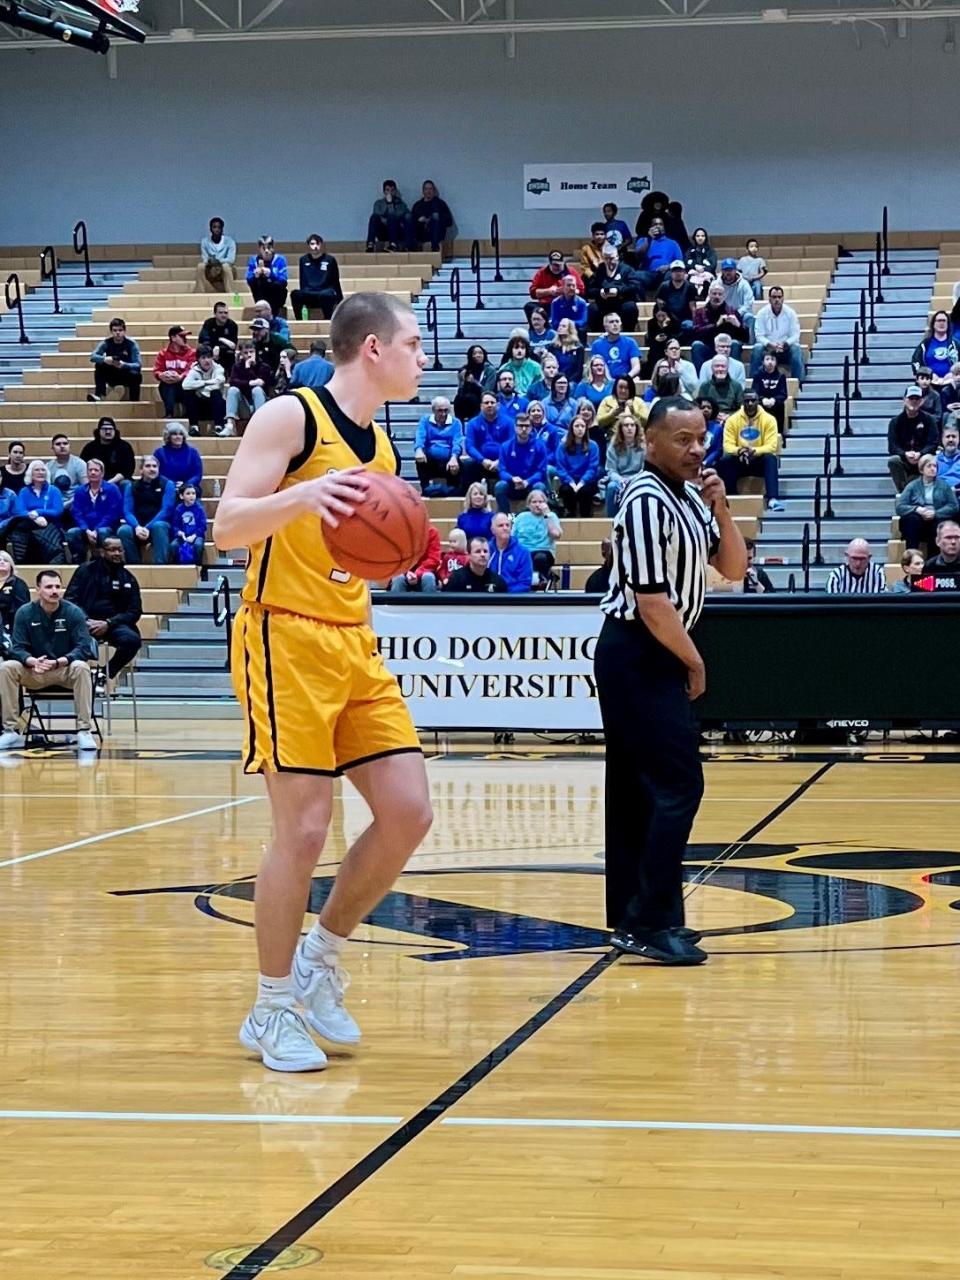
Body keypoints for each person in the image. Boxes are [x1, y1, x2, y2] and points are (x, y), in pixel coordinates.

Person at [210, 291, 434, 1072]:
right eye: (413, 342)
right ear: (372, 347)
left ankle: (320, 955)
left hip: (354, 640)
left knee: (408, 813)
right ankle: (271, 1009)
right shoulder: (290, 417)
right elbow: (225, 526)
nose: (423, 355)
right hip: (283, 634)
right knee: (303, 831)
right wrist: (301, 494)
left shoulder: (384, 448)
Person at [595, 395, 747, 964]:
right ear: (650, 442)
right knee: (680, 787)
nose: (696, 449)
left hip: (660, 649)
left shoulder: (688, 496)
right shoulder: (642, 499)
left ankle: (645, 916)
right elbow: (653, 602)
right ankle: (646, 918)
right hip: (637, 651)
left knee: (642, 792)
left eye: (701, 437)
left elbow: (732, 570)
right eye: (682, 439)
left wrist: (723, 511)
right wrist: (695, 661)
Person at [0, 569, 97, 753]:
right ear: (38, 589)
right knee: (7, 667)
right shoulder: (25, 612)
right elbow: (16, 647)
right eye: (49, 587)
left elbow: (83, 647)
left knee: (82, 667)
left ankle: (84, 730)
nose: (54, 591)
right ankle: (10, 730)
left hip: (63, 670)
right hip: (35, 671)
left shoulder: (73, 612)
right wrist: (31, 661)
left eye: (58, 587)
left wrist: (61, 661)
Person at [65, 536, 142, 681]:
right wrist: (85, 620)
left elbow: (135, 611)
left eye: (120, 550)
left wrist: (109, 623)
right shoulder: (85, 570)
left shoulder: (128, 578)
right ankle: (69, 679)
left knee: (132, 641)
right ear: (102, 552)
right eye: (112, 550)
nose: (117, 553)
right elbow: (70, 599)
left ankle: (103, 675)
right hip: (84, 623)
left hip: (113, 625)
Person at [719, 390, 782, 511]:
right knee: (725, 461)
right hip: (741, 459)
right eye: (747, 401)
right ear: (742, 402)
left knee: (770, 458)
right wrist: (740, 451)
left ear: (758, 401)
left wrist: (754, 451)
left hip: (758, 460)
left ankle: (773, 499)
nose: (750, 403)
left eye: (753, 400)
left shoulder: (769, 419)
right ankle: (731, 498)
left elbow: (771, 446)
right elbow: (727, 445)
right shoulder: (732, 420)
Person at [896, 453, 959, 552]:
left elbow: (954, 506)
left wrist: (936, 513)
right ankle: (912, 555)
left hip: (936, 519)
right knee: (912, 519)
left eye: (935, 466)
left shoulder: (944, 485)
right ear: (921, 469)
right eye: (929, 466)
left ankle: (933, 559)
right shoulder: (912, 486)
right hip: (918, 522)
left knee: (938, 524)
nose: (933, 468)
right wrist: (917, 509)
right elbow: (900, 507)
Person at [119, 456, 174, 565]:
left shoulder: (168, 485)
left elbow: (166, 510)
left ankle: (161, 566)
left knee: (159, 526)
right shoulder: (131, 487)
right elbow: (127, 512)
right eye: (148, 466)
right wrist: (137, 527)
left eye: (155, 466)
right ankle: (134, 566)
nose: (152, 469)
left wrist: (147, 527)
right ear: (141, 470)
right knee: (123, 530)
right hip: (138, 527)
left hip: (159, 527)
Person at [67, 459, 124, 563]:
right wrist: (86, 530)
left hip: (107, 529)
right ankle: (80, 563)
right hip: (87, 530)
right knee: (72, 533)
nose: (93, 472)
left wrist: (96, 530)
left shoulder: (112, 489)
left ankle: (101, 561)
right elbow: (77, 513)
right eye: (90, 470)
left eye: (96, 470)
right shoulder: (80, 491)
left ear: (102, 473)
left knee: (103, 532)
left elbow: (112, 514)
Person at [11, 460, 66, 563]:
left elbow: (58, 511)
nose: (41, 472)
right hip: (29, 527)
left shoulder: (54, 490)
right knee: (20, 531)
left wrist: (38, 512)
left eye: (43, 470)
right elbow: (19, 511)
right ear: (30, 473)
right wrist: (35, 518)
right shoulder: (24, 491)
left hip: (50, 527)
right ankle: (21, 563)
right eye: (37, 470)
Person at [887, 387, 939, 492]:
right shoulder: (895, 421)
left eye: (917, 398)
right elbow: (892, 446)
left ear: (921, 401)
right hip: (904, 459)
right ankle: (904, 493)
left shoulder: (929, 420)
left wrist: (921, 453)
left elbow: (933, 443)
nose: (914, 401)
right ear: (904, 400)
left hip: (923, 458)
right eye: (911, 398)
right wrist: (905, 454)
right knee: (893, 460)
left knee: (931, 460)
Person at [495, 414, 548, 514]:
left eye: (527, 426)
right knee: (500, 486)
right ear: (515, 427)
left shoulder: (539, 446)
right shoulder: (505, 446)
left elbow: (541, 471)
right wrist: (512, 478)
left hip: (530, 485)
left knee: (540, 487)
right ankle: (506, 516)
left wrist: (527, 481)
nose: (524, 429)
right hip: (512, 485)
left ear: (531, 428)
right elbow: (502, 470)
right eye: (520, 425)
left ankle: (531, 516)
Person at [691, 282, 748, 372]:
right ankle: (700, 379)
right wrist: (716, 325)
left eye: (720, 294)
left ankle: (733, 377)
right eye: (714, 294)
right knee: (696, 345)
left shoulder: (732, 312)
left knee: (735, 344)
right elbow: (695, 333)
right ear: (709, 295)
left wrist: (738, 325)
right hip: (708, 347)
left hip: (727, 349)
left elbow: (746, 338)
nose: (717, 297)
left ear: (724, 296)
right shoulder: (700, 312)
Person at [414, 396, 466, 493]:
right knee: (420, 459)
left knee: (458, 465)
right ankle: (425, 489)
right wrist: (418, 449)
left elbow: (457, 442)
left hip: (449, 459)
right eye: (440, 411)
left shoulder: (456, 423)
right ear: (433, 410)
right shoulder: (425, 420)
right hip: (430, 460)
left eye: (446, 410)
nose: (443, 414)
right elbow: (420, 436)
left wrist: (454, 457)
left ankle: (453, 492)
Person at [752, 286, 805, 378]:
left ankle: (799, 382)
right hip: (768, 349)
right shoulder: (762, 313)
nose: (777, 300)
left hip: (785, 349)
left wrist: (786, 343)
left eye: (779, 297)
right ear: (769, 299)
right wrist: (769, 344)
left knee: (796, 348)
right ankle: (753, 383)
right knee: (757, 348)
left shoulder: (790, 313)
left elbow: (795, 335)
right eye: (774, 297)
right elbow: (759, 335)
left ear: (783, 299)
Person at [585, 245, 640, 333]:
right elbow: (590, 290)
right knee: (592, 308)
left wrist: (619, 291)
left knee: (630, 307)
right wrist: (600, 292)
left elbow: (635, 286)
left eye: (611, 258)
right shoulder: (600, 270)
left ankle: (628, 332)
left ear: (617, 257)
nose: (609, 261)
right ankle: (597, 333)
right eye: (606, 258)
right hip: (604, 303)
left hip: (622, 302)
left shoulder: (627, 269)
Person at [513, 488, 562, 587]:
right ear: (528, 504)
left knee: (539, 558)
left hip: (544, 551)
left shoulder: (551, 516)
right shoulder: (521, 517)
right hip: (524, 551)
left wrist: (547, 515)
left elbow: (556, 535)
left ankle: (540, 580)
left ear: (546, 503)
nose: (537, 504)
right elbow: (512, 537)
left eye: (540, 502)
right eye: (534, 502)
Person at [88, 317, 142, 404]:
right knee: (99, 366)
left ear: (124, 331)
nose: (118, 333)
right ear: (111, 332)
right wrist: (105, 359)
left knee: (136, 375)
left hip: (126, 373)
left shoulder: (131, 344)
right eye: (115, 330)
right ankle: (100, 395)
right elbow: (93, 357)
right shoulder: (106, 342)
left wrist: (124, 365)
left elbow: (138, 364)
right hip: (112, 373)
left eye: (120, 330)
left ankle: (134, 401)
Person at [554, 415, 601, 516]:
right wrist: (571, 482)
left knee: (585, 491)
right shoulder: (562, 446)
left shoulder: (593, 446)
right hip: (568, 481)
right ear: (571, 428)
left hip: (587, 481)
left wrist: (581, 482)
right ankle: (570, 516)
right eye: (577, 426)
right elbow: (560, 468)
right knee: (566, 490)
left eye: (583, 426)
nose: (580, 429)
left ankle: (586, 519)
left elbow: (592, 468)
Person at [224, 339, 273, 435]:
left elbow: (262, 383)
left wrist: (249, 370)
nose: (249, 355)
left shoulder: (264, 367)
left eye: (251, 352)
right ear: (241, 354)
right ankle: (229, 424)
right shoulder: (237, 367)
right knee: (233, 390)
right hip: (244, 405)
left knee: (257, 390)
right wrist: (250, 382)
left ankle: (260, 424)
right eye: (246, 353)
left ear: (256, 352)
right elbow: (233, 382)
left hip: (261, 404)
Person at [291, 235, 343, 321]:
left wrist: (340, 300)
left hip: (323, 293)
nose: (315, 247)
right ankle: (299, 321)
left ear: (322, 245)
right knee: (295, 294)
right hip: (309, 293)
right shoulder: (303, 260)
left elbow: (335, 281)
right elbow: (302, 280)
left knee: (329, 295)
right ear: (308, 246)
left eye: (318, 244)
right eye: (312, 244)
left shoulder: (330, 260)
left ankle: (328, 320)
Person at [464, 392, 511, 488]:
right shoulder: (473, 423)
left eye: (492, 402)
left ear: (498, 405)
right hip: (481, 462)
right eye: (486, 403)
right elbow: (469, 446)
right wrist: (482, 460)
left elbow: (512, 445)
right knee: (468, 464)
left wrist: (499, 461)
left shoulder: (509, 422)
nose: (489, 405)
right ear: (481, 406)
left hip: (502, 462)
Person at [604, 412, 645, 517]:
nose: (630, 428)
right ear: (621, 429)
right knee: (611, 487)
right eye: (626, 425)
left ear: (637, 428)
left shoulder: (643, 446)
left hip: (638, 479)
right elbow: (610, 470)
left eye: (632, 425)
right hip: (619, 480)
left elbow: (645, 470)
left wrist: (631, 480)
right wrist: (621, 480)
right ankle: (611, 521)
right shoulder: (613, 446)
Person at [633, 217, 684, 299]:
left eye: (660, 224)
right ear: (650, 227)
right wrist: (649, 239)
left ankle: (662, 302)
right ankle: (642, 304)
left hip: (665, 274)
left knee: (672, 275)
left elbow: (679, 262)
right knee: (635, 276)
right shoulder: (643, 240)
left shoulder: (672, 243)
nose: (658, 226)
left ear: (664, 227)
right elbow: (639, 254)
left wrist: (668, 267)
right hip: (648, 274)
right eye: (655, 224)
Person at [181, 345, 227, 434]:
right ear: (198, 359)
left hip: (216, 405)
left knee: (215, 393)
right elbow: (185, 385)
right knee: (188, 393)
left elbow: (219, 382)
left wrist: (200, 388)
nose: (207, 360)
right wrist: (205, 383)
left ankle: (219, 427)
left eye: (209, 357)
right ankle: (194, 427)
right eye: (203, 358)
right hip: (200, 407)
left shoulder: (218, 368)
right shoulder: (194, 370)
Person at [153, 326, 196, 419]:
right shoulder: (163, 354)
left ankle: (188, 412)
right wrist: (161, 375)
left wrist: (181, 377)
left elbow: (192, 370)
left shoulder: (192, 353)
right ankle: (169, 413)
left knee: (189, 384)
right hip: (170, 385)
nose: (185, 339)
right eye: (182, 336)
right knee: (165, 385)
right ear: (173, 338)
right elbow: (157, 370)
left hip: (184, 385)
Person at [80, 417, 135, 488]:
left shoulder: (124, 446)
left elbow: (127, 470)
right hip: (95, 480)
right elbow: (83, 466)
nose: (108, 432)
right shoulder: (90, 447)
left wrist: (108, 484)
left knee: (127, 484)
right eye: (105, 429)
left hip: (118, 481)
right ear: (98, 431)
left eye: (111, 429)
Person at [528, 251, 583, 320]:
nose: (556, 267)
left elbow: (581, 290)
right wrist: (549, 291)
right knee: (529, 306)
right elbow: (533, 293)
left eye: (558, 265)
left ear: (563, 263)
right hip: (547, 304)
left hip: (566, 303)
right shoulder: (542, 272)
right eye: (554, 265)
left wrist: (567, 291)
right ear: (550, 264)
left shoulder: (571, 272)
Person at [487, 512, 534, 593]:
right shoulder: (485, 550)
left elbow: (525, 583)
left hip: (512, 599)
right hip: (487, 596)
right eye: (500, 525)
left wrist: (504, 593)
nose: (505, 528)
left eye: (507, 525)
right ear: (492, 530)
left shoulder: (523, 552)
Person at [389, 524, 442, 593]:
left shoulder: (432, 531)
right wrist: (406, 572)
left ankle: (430, 603)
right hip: (403, 571)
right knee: (398, 579)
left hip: (426, 570)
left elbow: (434, 558)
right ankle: (395, 603)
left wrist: (418, 573)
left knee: (428, 578)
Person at [154, 423, 204, 496]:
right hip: (166, 488)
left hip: (189, 488)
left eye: (180, 434)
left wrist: (186, 485)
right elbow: (156, 473)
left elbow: (197, 474)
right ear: (168, 437)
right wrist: (171, 484)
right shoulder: (159, 453)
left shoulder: (193, 452)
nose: (178, 437)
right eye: (174, 434)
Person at [590, 312, 641, 381]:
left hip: (626, 380)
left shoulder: (630, 342)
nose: (615, 324)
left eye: (617, 321)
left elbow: (636, 366)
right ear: (605, 326)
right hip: (605, 382)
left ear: (621, 324)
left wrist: (626, 378)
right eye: (611, 322)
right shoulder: (597, 345)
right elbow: (594, 368)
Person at [246, 234, 289, 316]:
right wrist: (255, 276)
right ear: (259, 249)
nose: (266, 251)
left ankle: (273, 314)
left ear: (272, 248)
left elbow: (284, 281)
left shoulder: (280, 259)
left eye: (269, 248)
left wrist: (271, 274)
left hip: (276, 294)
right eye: (263, 248)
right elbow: (249, 279)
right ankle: (261, 310)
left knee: (278, 285)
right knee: (257, 283)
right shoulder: (253, 260)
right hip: (261, 293)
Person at [46, 434, 87, 516]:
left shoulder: (79, 464)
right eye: (58, 444)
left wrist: (69, 503)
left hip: (76, 503)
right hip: (56, 504)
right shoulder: (48, 466)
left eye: (65, 443)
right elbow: (47, 491)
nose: (62, 446)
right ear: (52, 448)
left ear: (69, 446)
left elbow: (85, 488)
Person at [716, 259, 757, 342]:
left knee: (749, 317)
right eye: (726, 270)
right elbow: (710, 301)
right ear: (722, 271)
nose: (728, 272)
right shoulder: (716, 284)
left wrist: (737, 313)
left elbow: (749, 303)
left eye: (730, 270)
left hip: (740, 314)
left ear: (735, 270)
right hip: (722, 315)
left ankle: (750, 344)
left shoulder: (744, 284)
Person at [912, 311, 958, 383]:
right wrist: (927, 374)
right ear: (933, 324)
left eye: (944, 321)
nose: (941, 323)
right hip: (930, 383)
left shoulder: (956, 344)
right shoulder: (925, 344)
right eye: (939, 320)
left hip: (952, 383)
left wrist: (954, 374)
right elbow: (915, 362)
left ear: (948, 324)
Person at [407, 180, 453, 252]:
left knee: (435, 216)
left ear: (434, 191)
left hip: (436, 234)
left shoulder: (440, 204)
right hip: (421, 234)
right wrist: (419, 221)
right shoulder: (417, 205)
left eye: (430, 189)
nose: (428, 191)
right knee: (408, 217)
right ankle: (409, 247)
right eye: (426, 189)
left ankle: (435, 248)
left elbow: (449, 222)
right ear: (423, 191)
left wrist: (431, 220)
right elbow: (412, 222)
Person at [196, 217, 237, 294]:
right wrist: (210, 262)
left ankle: (231, 293)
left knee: (226, 266)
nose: (217, 229)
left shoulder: (230, 241)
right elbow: (205, 258)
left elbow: (231, 259)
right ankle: (200, 292)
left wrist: (218, 261)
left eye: (219, 227)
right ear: (210, 229)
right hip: (211, 270)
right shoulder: (204, 242)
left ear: (222, 229)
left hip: (226, 269)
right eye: (214, 227)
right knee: (200, 266)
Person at [655, 261, 697, 335]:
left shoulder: (690, 287)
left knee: (689, 326)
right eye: (675, 271)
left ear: (684, 272)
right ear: (671, 273)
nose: (678, 273)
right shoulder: (664, 286)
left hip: (685, 320)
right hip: (668, 319)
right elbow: (659, 306)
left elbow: (693, 307)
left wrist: (696, 323)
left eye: (680, 271)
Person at [366, 180, 409, 252]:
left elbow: (395, 216)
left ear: (395, 191)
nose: (390, 192)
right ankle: (370, 244)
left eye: (392, 190)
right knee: (374, 217)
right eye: (387, 190)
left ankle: (393, 245)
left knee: (392, 217)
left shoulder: (401, 204)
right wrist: (386, 220)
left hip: (395, 231)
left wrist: (390, 203)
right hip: (382, 230)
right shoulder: (378, 203)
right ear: (384, 192)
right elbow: (377, 214)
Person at [0, 551, 29, 655]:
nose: (2, 562)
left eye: (5, 560)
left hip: (10, 624)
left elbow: (22, 609)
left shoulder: (18, 584)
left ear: (11, 565)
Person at [698, 355, 744, 422]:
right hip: (711, 419)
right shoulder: (705, 386)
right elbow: (700, 407)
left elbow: (742, 407)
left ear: (728, 368)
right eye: (717, 366)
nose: (720, 369)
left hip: (733, 420)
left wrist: (729, 416)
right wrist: (714, 415)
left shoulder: (736, 386)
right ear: (712, 368)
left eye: (723, 366)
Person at [752, 349, 788, 433]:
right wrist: (762, 399)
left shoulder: (781, 376)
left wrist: (774, 400)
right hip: (762, 404)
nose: (770, 362)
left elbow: (783, 394)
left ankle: (779, 434)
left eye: (772, 359)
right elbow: (755, 392)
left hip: (775, 404)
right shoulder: (757, 375)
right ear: (763, 361)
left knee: (780, 406)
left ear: (776, 362)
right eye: (767, 359)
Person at [198, 301, 239, 375]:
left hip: (225, 351)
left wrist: (219, 345)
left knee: (230, 354)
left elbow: (233, 345)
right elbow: (202, 339)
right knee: (203, 351)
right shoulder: (208, 323)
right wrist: (215, 347)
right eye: (221, 313)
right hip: (211, 350)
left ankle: (229, 376)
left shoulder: (232, 325)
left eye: (226, 313)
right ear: (215, 314)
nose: (224, 315)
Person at [171, 484, 207, 566]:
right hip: (183, 536)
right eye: (188, 493)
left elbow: (202, 526)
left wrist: (194, 536)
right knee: (173, 545)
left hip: (196, 536)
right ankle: (177, 565)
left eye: (193, 493)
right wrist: (179, 533)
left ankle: (198, 566)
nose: (191, 496)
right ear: (181, 496)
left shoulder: (199, 509)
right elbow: (175, 525)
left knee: (198, 545)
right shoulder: (178, 509)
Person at [641, 306, 680, 377]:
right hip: (656, 347)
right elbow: (650, 340)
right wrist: (657, 338)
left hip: (669, 345)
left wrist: (665, 327)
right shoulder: (651, 322)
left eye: (663, 315)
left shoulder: (673, 322)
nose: (661, 318)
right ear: (655, 314)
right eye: (659, 316)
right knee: (654, 351)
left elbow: (674, 338)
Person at [549, 276, 590, 344]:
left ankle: (580, 348)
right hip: (561, 328)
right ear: (562, 287)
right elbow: (554, 321)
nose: (571, 288)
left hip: (576, 328)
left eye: (573, 285)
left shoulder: (582, 302)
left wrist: (569, 324)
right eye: (568, 285)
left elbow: (583, 320)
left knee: (583, 329)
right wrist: (564, 325)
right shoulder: (555, 302)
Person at [922, 520, 960, 585]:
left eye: (957, 537)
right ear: (937, 541)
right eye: (948, 537)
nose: (953, 542)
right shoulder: (929, 566)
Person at [547, 318, 585, 384]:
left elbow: (579, 371)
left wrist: (567, 382)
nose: (560, 328)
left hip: (572, 381)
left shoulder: (578, 348)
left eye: (563, 326)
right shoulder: (552, 347)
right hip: (554, 381)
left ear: (570, 329)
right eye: (559, 325)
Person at [685, 227, 718, 300]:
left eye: (702, 236)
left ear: (705, 237)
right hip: (693, 274)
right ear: (694, 237)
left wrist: (703, 269)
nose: (700, 238)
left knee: (708, 281)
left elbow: (713, 265)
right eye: (698, 236)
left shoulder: (710, 251)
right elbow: (686, 264)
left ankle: (705, 295)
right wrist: (695, 267)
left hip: (706, 275)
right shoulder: (690, 250)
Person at [936, 422, 960, 492]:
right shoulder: (934, 460)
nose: (950, 439)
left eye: (954, 436)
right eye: (947, 436)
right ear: (942, 440)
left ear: (959, 439)